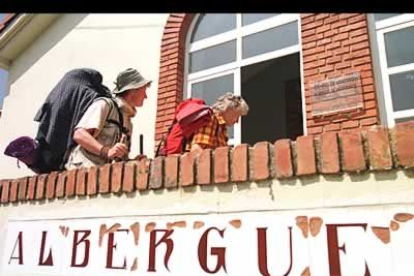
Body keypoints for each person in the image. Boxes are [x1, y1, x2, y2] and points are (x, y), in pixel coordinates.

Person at [65, 68, 151, 170]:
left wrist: (132, 161)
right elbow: (79, 134)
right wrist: (106, 151)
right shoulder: (105, 105)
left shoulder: (128, 122)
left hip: (101, 175)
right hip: (81, 172)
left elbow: (116, 155)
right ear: (133, 89)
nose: (145, 96)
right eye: (144, 91)